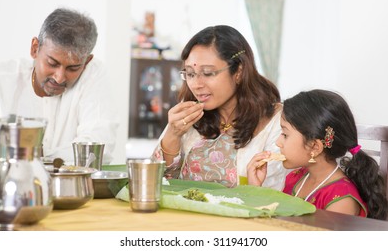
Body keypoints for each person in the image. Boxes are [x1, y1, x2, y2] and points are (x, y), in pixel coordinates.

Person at [151, 25, 288, 190]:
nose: (196, 85)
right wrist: (172, 134)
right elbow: (156, 183)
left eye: (208, 73)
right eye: (190, 74)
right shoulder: (187, 112)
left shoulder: (277, 121)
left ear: (238, 71)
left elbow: (273, 193)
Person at [0, 8, 119, 164]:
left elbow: (97, 148)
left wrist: (32, 156)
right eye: (52, 63)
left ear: (86, 62)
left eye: (73, 68)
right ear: (35, 48)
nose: (60, 77)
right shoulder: (3, 80)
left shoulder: (93, 73)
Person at [247, 89, 388, 219]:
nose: (278, 142)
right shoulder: (296, 178)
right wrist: (255, 189)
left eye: (285, 134)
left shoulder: (342, 201)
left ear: (315, 147)